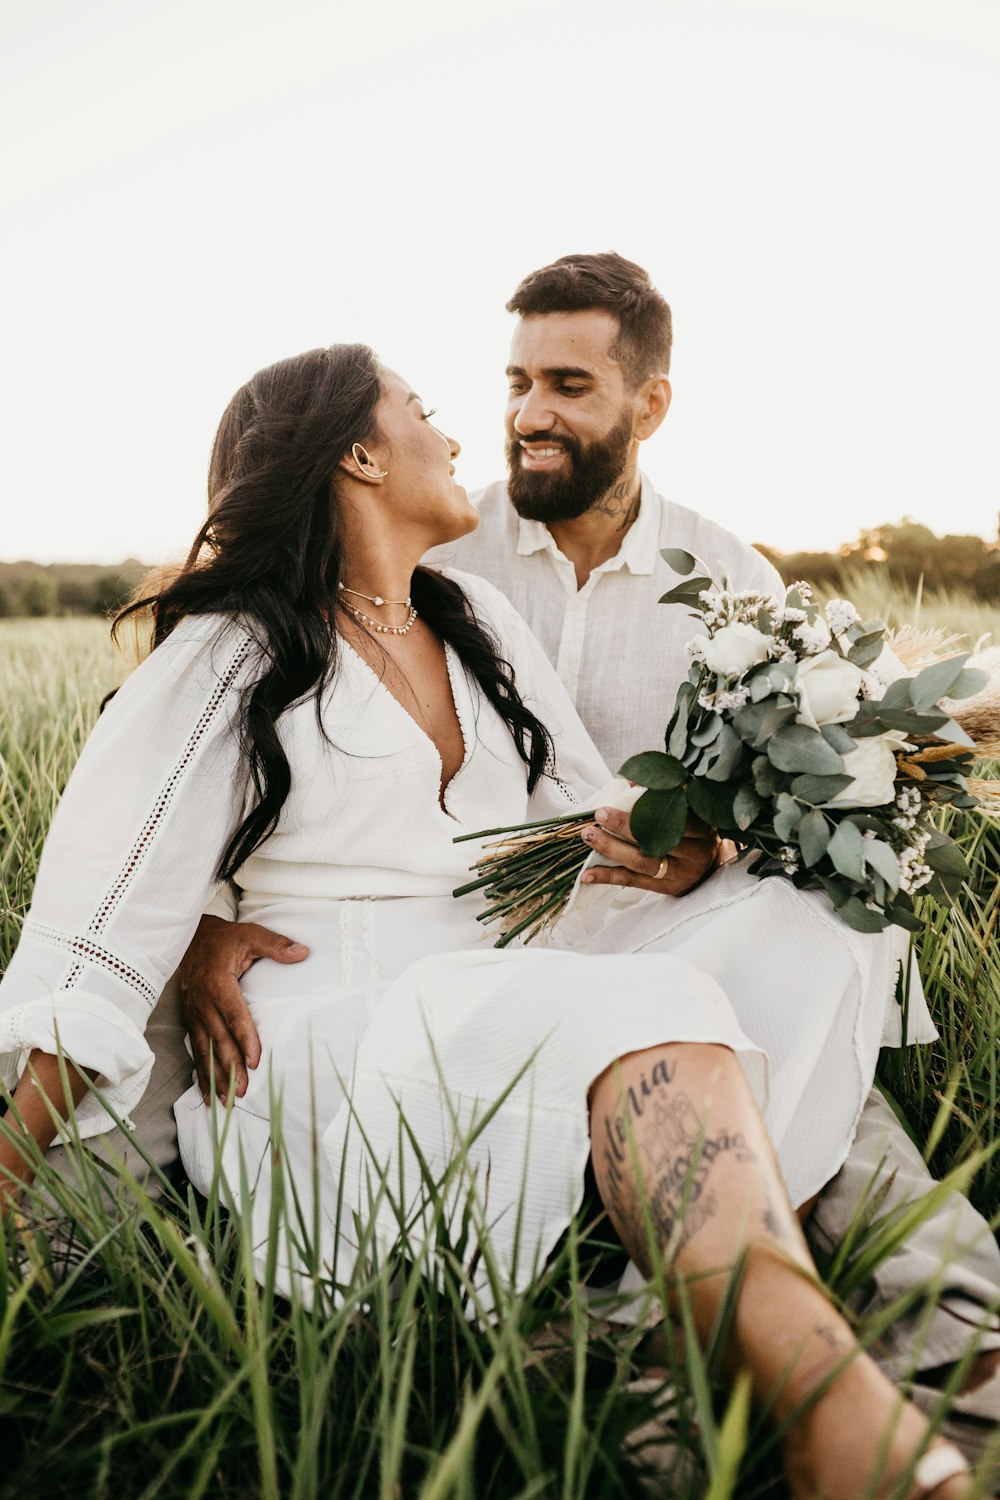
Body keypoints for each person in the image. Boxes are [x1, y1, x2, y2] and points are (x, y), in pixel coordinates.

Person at [0, 342, 973, 1497]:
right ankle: (828, 1402)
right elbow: (104, 923)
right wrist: (11, 1165)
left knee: (802, 923)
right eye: (420, 410)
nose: (457, 436)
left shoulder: (476, 628)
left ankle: (699, 1329)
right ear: (358, 453)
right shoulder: (236, 649)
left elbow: (583, 820)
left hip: (502, 978)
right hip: (326, 1042)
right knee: (653, 1004)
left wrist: (680, 842)